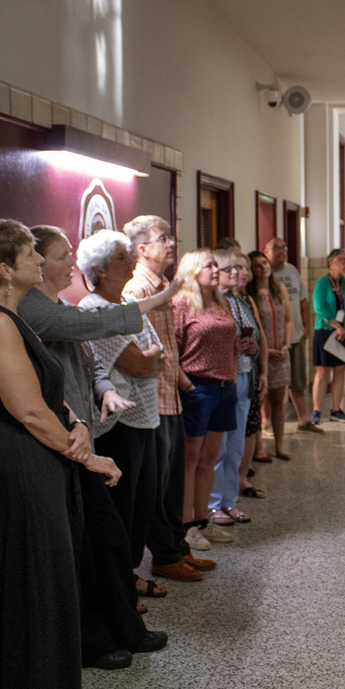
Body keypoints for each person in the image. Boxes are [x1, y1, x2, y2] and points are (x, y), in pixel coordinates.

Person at [0, 219, 120, 689]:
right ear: (5, 269)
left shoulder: (17, 316)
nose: (39, 259)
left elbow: (50, 398)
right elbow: (27, 410)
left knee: (49, 572)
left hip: (42, 455)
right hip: (18, 459)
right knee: (35, 572)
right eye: (31, 253)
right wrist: (88, 455)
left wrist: (75, 424)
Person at [19, 225, 171, 670]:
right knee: (95, 542)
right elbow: (95, 327)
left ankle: (123, 629)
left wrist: (103, 388)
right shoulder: (33, 309)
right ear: (34, 264)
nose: (72, 263)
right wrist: (164, 295)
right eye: (62, 255)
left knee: (108, 537)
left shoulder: (55, 304)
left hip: (84, 437)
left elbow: (90, 361)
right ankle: (97, 638)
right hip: (63, 444)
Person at [123, 215, 218, 574]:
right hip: (153, 400)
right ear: (142, 249)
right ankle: (165, 556)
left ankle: (177, 547)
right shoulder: (137, 291)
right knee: (158, 487)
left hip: (171, 398)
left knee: (173, 481)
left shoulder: (165, 285)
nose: (170, 244)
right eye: (163, 239)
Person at [77, 230, 165, 587]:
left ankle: (129, 573)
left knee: (144, 501)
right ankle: (120, 582)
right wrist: (150, 360)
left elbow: (157, 353)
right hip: (119, 424)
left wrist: (151, 359)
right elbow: (143, 365)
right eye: (122, 257)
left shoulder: (126, 308)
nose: (131, 261)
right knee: (122, 506)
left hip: (145, 418)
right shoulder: (94, 309)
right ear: (98, 269)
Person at [173, 249, 240, 547]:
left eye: (216, 264)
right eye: (209, 265)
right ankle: (186, 525)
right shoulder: (183, 303)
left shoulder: (222, 301)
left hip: (225, 387)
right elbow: (171, 347)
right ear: (192, 270)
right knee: (191, 459)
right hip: (197, 386)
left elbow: (231, 343)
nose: (216, 269)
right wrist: (186, 384)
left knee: (211, 458)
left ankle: (203, 518)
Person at [207, 249, 267, 525]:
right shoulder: (211, 302)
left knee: (235, 446)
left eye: (239, 268)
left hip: (244, 376)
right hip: (223, 377)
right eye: (230, 268)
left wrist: (252, 348)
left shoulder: (240, 302)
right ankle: (213, 503)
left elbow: (254, 335)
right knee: (218, 448)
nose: (237, 273)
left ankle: (229, 501)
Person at [265, 237, 323, 433]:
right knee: (270, 384)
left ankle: (303, 420)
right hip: (274, 340)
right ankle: (266, 422)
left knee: (297, 381)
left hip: (296, 336)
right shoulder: (264, 273)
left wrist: (307, 326)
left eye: (284, 247)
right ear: (266, 252)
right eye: (275, 248)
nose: (281, 251)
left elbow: (303, 301)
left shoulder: (292, 271)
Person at [249, 250, 293, 458]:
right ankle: (259, 448)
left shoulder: (280, 290)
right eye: (257, 265)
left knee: (278, 402)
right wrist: (267, 351)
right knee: (258, 402)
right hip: (261, 356)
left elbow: (287, 320)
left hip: (281, 354)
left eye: (265, 263)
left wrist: (286, 345)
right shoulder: (251, 296)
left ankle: (280, 446)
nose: (263, 267)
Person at [310, 248, 345, 424]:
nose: (344, 262)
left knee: (340, 369)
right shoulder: (322, 283)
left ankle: (336, 410)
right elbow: (319, 308)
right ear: (331, 263)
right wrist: (336, 326)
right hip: (326, 329)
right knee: (323, 370)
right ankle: (316, 410)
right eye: (340, 260)